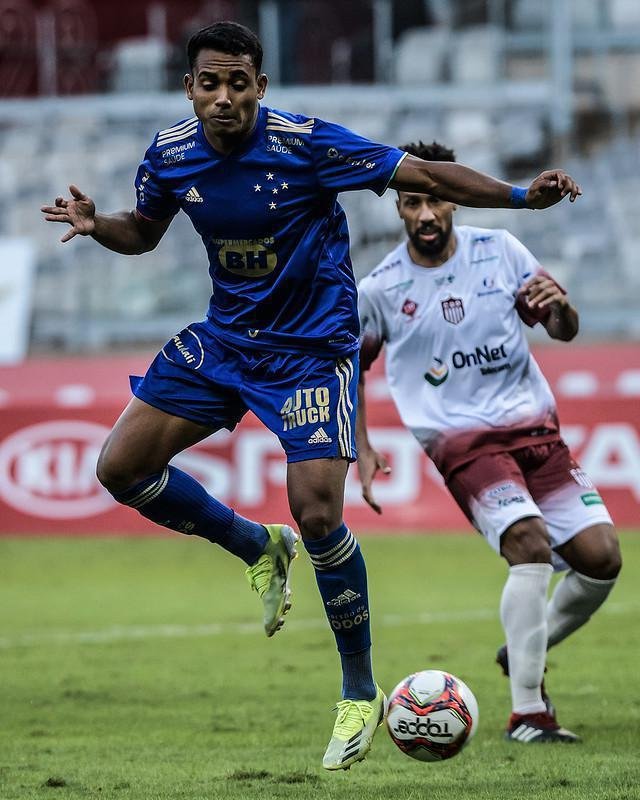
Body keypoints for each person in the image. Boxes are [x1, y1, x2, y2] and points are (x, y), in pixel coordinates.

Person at [41, 22, 581, 769]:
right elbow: (143, 230)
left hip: (312, 351)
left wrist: (520, 197)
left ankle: (359, 690)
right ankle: (254, 544)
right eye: (209, 83)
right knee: (119, 469)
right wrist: (97, 224)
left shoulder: (307, 144)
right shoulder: (169, 154)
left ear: (260, 87)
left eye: (238, 83)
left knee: (319, 512)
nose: (223, 97)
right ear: (189, 88)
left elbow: (423, 174)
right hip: (227, 340)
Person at [356, 139, 621, 744]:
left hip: (535, 429)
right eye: (413, 202)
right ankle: (529, 712)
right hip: (461, 441)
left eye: (437, 200)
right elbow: (352, 367)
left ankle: (524, 647)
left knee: (603, 559)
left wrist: (562, 307)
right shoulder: (380, 288)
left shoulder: (500, 250)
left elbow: (563, 328)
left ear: (455, 199)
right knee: (528, 544)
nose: (426, 214)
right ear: (398, 208)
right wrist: (361, 446)